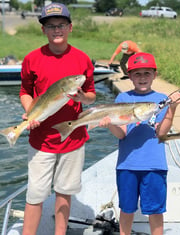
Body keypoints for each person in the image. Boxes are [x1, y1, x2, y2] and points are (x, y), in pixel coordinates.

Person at [19, 3, 96, 235]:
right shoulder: (32, 59)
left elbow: (91, 97)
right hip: (40, 139)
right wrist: (29, 112)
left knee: (64, 192)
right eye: (51, 26)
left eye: (61, 24)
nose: (56, 30)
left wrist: (83, 96)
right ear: (43, 30)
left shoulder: (82, 59)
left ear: (70, 27)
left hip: (73, 138)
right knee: (35, 195)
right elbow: (25, 92)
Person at [100, 52, 180, 235]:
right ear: (129, 76)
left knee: (155, 211)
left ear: (154, 74)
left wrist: (172, 109)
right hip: (127, 165)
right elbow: (121, 134)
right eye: (137, 73)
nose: (142, 78)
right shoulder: (122, 99)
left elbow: (161, 132)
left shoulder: (161, 99)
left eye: (147, 73)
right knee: (127, 209)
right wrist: (110, 124)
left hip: (154, 165)